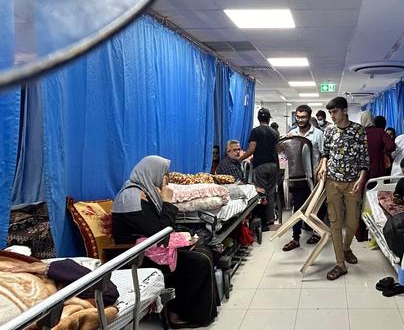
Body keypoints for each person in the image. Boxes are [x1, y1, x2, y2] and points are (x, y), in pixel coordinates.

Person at [111, 156, 217, 328]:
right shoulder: (131, 196)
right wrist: (167, 202)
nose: (165, 179)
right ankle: (177, 313)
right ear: (151, 173)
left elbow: (161, 229)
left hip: (150, 248)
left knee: (204, 251)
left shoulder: (144, 192)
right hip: (136, 255)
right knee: (198, 262)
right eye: (163, 174)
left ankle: (197, 311)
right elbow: (159, 233)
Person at [317, 97, 369, 280]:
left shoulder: (358, 130)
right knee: (335, 222)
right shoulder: (329, 131)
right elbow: (325, 152)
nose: (332, 116)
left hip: (353, 182)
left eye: (335, 112)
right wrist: (323, 164)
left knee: (353, 222)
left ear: (344, 110)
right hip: (332, 182)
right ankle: (340, 263)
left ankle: (347, 247)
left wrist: (361, 179)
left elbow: (364, 159)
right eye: (330, 113)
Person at [282, 105, 325, 251]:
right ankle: (295, 238)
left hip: (315, 177)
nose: (300, 120)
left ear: (309, 117)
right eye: (298, 117)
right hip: (297, 176)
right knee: (297, 207)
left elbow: (324, 154)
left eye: (303, 117)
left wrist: (321, 171)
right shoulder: (292, 133)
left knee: (317, 207)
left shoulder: (318, 134)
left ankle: (317, 233)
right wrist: (285, 143)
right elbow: (283, 153)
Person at [240, 108, 280, 230]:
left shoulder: (255, 131)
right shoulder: (274, 133)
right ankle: (271, 219)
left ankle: (262, 222)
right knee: (271, 192)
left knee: (261, 193)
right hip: (273, 165)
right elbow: (277, 150)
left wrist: (240, 159)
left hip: (261, 166)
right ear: (268, 119)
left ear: (258, 119)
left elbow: (252, 149)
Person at [360, 111, 395, 179]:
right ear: (372, 119)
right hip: (378, 169)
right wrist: (383, 151)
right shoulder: (380, 132)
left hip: (362, 172)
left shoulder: (358, 133)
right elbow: (391, 146)